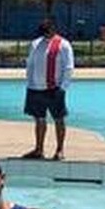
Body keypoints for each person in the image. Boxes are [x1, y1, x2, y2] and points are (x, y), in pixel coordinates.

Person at [22, 18, 73, 161]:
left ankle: (60, 150)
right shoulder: (35, 44)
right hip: (35, 88)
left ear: (53, 29)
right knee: (39, 119)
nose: (45, 34)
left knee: (59, 119)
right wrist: (30, 82)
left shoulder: (63, 45)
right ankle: (39, 149)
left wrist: (63, 88)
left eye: (47, 31)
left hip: (54, 89)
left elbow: (68, 68)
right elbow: (30, 64)